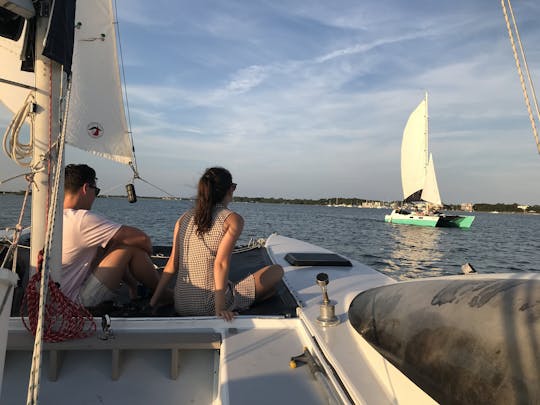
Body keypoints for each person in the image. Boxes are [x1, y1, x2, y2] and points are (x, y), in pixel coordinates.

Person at [150, 167, 284, 321]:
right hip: (209, 306)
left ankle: (241, 298)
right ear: (229, 190)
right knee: (276, 271)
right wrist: (219, 310)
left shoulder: (183, 219)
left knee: (266, 290)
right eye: (233, 187)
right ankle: (238, 301)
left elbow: (171, 265)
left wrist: (153, 301)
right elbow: (220, 264)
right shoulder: (233, 219)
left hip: (180, 304)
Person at [56, 163, 163, 307]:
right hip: (74, 304)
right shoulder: (82, 219)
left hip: (53, 301)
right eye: (96, 190)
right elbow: (142, 239)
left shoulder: (54, 218)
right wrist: (145, 256)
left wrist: (131, 284)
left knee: (108, 246)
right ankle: (162, 294)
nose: (95, 196)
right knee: (128, 247)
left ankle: (136, 288)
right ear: (86, 188)